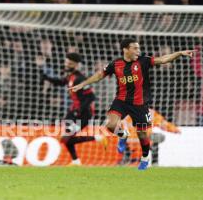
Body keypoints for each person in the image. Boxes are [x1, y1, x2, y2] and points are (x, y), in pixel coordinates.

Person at [70, 38, 193, 170]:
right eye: (135, 48)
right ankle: (123, 135)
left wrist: (179, 53)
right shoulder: (116, 64)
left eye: (138, 48)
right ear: (125, 50)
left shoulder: (143, 61)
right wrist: (82, 84)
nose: (138, 51)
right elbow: (100, 75)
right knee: (110, 125)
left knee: (142, 134)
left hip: (140, 103)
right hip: (121, 101)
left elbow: (163, 59)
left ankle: (145, 158)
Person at [42, 52, 106, 166]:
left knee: (65, 138)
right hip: (73, 112)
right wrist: (47, 78)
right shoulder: (70, 76)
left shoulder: (80, 78)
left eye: (69, 63)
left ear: (75, 65)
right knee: (65, 138)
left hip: (83, 114)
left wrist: (79, 111)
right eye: (66, 62)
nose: (66, 64)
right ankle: (76, 161)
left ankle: (97, 138)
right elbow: (61, 82)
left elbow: (91, 97)